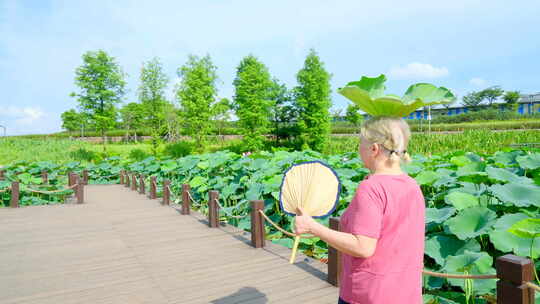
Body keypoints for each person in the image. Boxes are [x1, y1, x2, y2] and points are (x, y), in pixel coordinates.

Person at [294, 116, 425, 304]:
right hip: (406, 294)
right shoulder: (412, 185)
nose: (358, 150)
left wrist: (312, 227)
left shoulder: (371, 188)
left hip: (369, 295)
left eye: (360, 144)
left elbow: (363, 247)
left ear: (374, 149)